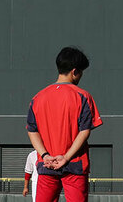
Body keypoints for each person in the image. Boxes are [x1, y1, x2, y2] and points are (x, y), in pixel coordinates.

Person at [27, 47, 103, 202]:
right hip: (75, 165)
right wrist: (66, 157)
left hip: (46, 165)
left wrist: (45, 155)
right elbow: (84, 131)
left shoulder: (38, 98)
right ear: (75, 71)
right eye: (81, 72)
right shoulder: (83, 96)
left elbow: (32, 131)